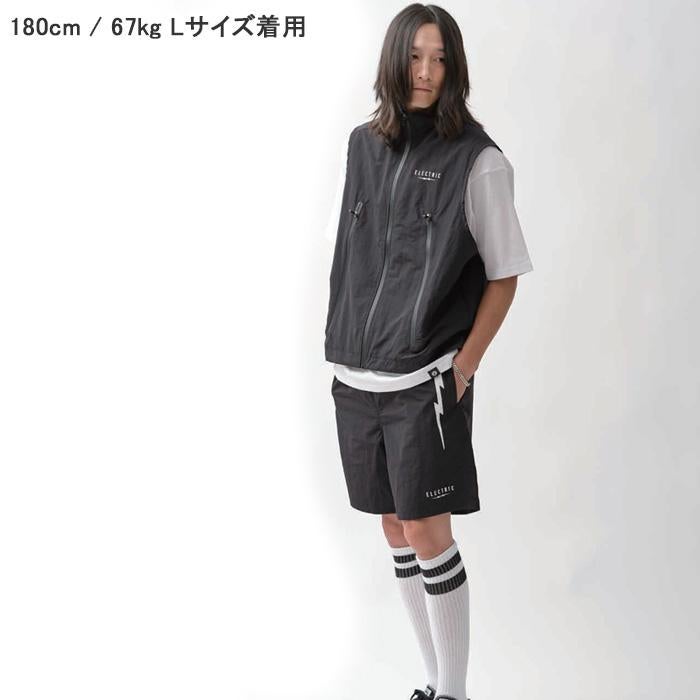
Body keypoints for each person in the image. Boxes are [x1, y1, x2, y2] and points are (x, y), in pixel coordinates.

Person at [323, 5, 533, 700]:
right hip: (358, 375)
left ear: (455, 67)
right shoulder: (362, 146)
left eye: (440, 59)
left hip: (426, 379)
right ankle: (433, 683)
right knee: (393, 526)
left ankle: (455, 693)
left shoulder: (478, 161)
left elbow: (504, 275)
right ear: (393, 60)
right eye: (415, 56)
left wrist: (464, 367)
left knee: (426, 528)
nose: (426, 72)